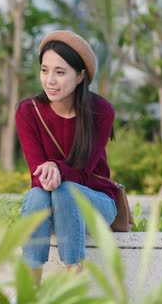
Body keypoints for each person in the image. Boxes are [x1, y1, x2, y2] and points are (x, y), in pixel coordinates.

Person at [15, 30, 119, 285]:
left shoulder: (101, 112)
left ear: (80, 76)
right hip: (49, 201)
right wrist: (50, 173)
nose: (50, 80)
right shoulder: (28, 112)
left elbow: (84, 173)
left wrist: (56, 169)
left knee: (67, 190)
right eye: (44, 70)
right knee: (37, 195)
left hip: (96, 201)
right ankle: (30, 291)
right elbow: (37, 177)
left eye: (60, 72)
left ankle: (74, 286)